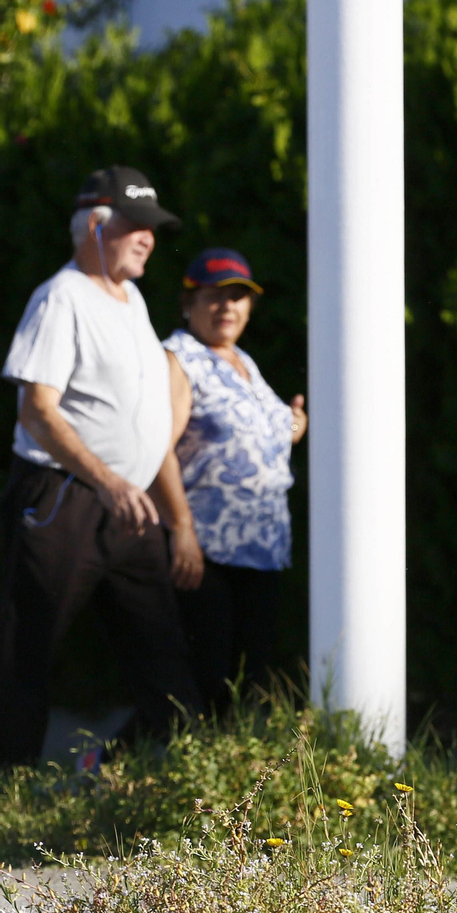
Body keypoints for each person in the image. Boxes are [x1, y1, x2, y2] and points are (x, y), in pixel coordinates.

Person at [0, 165, 203, 769]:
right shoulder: (61, 298)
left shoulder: (131, 299)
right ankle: (10, 800)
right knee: (22, 653)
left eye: (153, 228)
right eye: (135, 225)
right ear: (94, 225)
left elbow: (144, 418)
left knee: (163, 658)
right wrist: (108, 480)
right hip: (62, 498)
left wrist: (176, 516)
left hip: (129, 505)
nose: (148, 237)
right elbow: (37, 411)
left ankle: (139, 784)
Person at [163, 249, 306, 713]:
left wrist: (293, 424)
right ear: (188, 304)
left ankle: (231, 782)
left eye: (238, 297)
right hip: (208, 552)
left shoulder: (242, 361)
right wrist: (182, 529)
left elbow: (251, 436)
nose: (227, 307)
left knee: (247, 684)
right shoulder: (180, 358)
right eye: (213, 296)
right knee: (204, 684)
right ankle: (102, 765)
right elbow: (157, 447)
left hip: (261, 550)